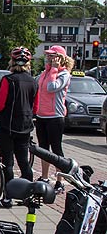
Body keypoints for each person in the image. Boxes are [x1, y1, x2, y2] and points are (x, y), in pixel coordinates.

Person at [0, 47, 39, 208]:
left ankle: (7, 198)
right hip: (25, 126)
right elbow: (35, 107)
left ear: (12, 62)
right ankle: (29, 196)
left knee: (7, 163)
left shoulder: (8, 80)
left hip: (7, 126)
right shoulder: (34, 82)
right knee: (24, 163)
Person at [35, 44, 74, 192]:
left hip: (55, 116)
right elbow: (36, 84)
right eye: (48, 55)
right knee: (44, 149)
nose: (49, 58)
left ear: (60, 58)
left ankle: (60, 180)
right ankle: (44, 177)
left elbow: (52, 87)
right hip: (41, 115)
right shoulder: (45, 73)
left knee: (56, 150)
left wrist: (54, 69)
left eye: (52, 55)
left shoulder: (63, 74)